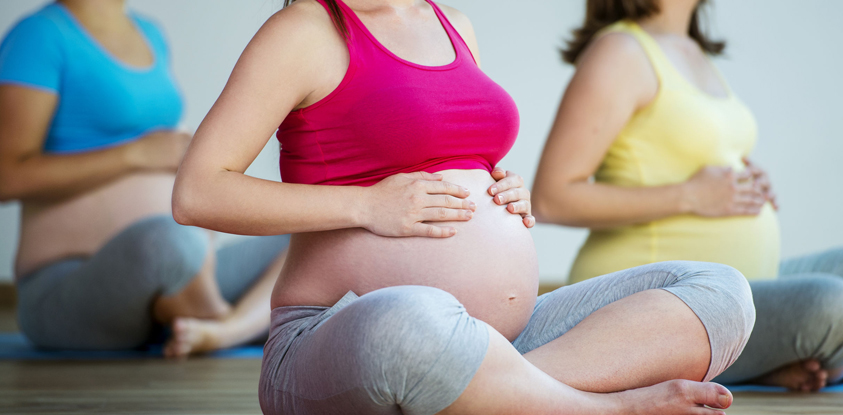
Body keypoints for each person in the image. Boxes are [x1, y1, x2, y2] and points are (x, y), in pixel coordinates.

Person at [173, 0, 755, 413]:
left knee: (719, 292)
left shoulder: (454, 24)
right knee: (416, 318)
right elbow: (198, 193)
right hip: (350, 334)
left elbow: (457, 154)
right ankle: (604, 410)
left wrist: (503, 187)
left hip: (498, 341)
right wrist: (367, 206)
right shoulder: (305, 28)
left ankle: (488, 396)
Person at [531, 0, 843, 392]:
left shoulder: (693, 51)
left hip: (745, 281)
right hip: (668, 299)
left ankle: (748, 362)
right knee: (833, 309)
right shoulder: (619, 52)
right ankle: (739, 359)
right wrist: (691, 196)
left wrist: (745, 180)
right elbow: (550, 199)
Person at [0, 0, 290, 357]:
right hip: (69, 282)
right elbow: (5, 175)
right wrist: (135, 154)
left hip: (184, 259)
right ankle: (234, 321)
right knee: (171, 243)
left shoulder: (150, 34)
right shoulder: (38, 37)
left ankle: (227, 328)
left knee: (311, 239)